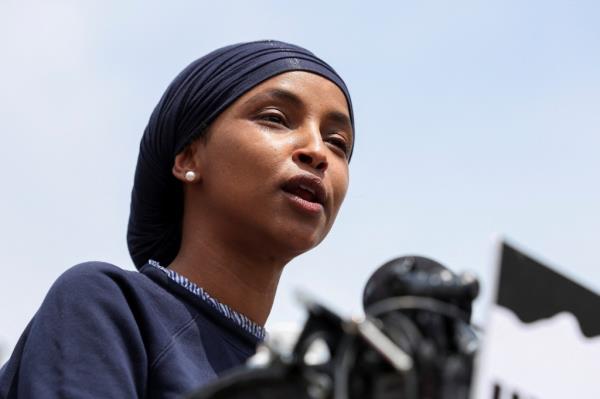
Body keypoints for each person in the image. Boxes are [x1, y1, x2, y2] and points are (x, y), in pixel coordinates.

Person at [0, 40, 354, 398]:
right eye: (275, 119)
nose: (317, 151)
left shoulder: (311, 382)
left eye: (337, 142)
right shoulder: (109, 305)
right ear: (188, 159)